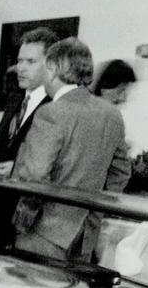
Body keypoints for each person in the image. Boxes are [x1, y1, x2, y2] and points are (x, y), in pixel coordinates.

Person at [13, 38, 131, 192]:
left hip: (49, 214)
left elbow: (34, 175)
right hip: (91, 214)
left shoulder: (50, 113)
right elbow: (120, 173)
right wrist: (97, 211)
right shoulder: (112, 114)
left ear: (53, 69)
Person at [0, 27, 60, 175]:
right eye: (19, 61)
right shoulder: (14, 101)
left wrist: (16, 170)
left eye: (30, 62)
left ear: (51, 65)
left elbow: (56, 166)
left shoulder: (55, 105)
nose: (21, 68)